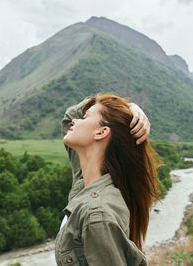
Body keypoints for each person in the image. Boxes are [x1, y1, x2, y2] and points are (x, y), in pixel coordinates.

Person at [54, 93, 161, 266]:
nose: (76, 121)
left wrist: (124, 110)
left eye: (85, 118)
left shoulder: (96, 214)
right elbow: (70, 116)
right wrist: (130, 107)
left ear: (102, 132)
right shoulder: (85, 179)